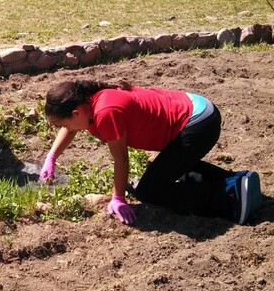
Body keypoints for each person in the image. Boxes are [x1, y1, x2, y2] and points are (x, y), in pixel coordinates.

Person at [40, 79, 262, 225]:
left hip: (197, 124)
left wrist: (118, 198)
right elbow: (69, 128)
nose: (65, 129)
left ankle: (229, 197)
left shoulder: (106, 113)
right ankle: (234, 180)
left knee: (149, 192)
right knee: (166, 167)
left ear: (76, 112)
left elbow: (120, 158)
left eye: (65, 123)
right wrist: (52, 157)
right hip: (198, 109)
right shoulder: (90, 100)